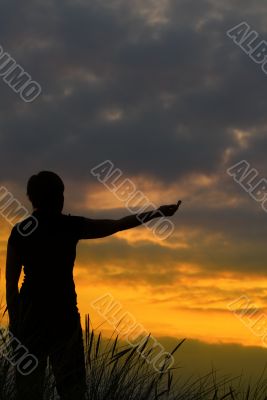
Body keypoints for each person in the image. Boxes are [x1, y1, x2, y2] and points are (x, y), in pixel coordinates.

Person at [5, 171, 181, 400]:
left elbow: (11, 284)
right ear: (58, 197)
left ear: (32, 198)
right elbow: (115, 225)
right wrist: (156, 213)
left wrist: (16, 326)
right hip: (64, 317)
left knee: (29, 391)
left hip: (30, 318)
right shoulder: (69, 226)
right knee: (73, 391)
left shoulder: (20, 231)